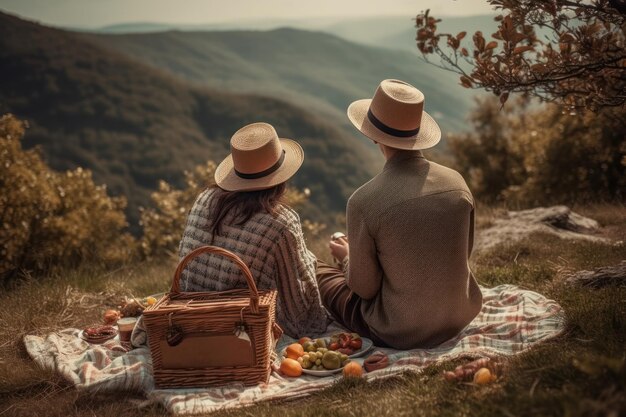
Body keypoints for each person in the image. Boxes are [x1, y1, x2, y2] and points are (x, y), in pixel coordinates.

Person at [316, 79, 483, 350]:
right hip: (459, 314)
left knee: (318, 272)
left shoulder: (364, 201)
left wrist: (347, 259)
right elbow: (463, 253)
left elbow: (364, 289)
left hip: (399, 330)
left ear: (372, 135)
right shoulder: (457, 183)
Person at [175, 122, 329, 338]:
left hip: (186, 321)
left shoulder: (204, 199)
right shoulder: (280, 222)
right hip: (241, 330)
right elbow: (298, 308)